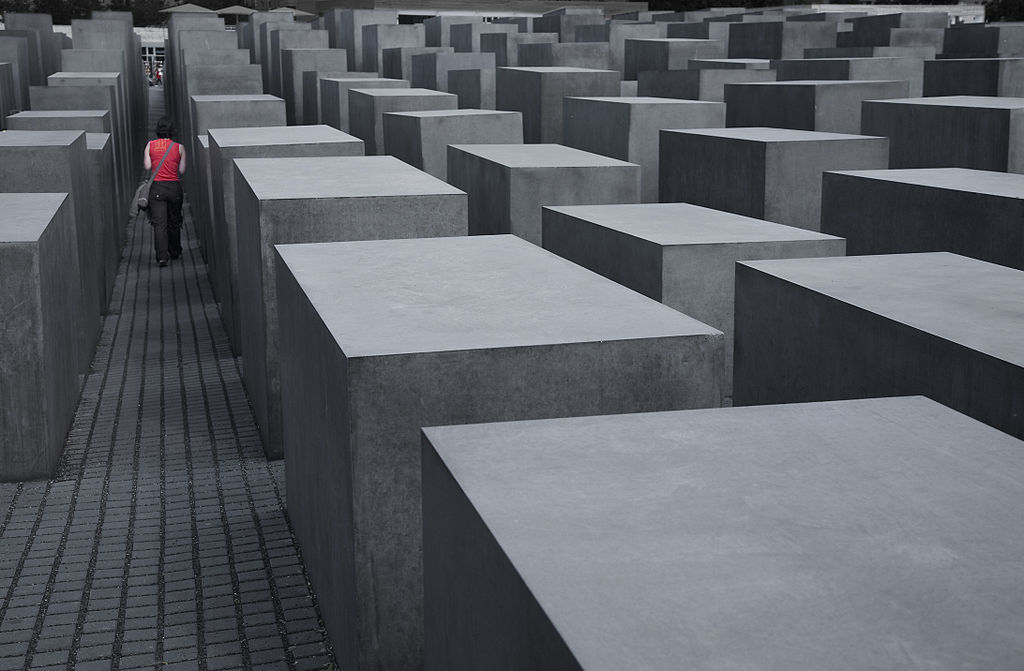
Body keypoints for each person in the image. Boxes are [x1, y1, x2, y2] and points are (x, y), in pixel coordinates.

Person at [143, 117, 186, 267]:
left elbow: (147, 167)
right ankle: (174, 251)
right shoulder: (179, 147)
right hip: (174, 188)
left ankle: (162, 257)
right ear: (172, 131)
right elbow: (181, 170)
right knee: (174, 221)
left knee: (159, 224)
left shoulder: (150, 145)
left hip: (157, 189)